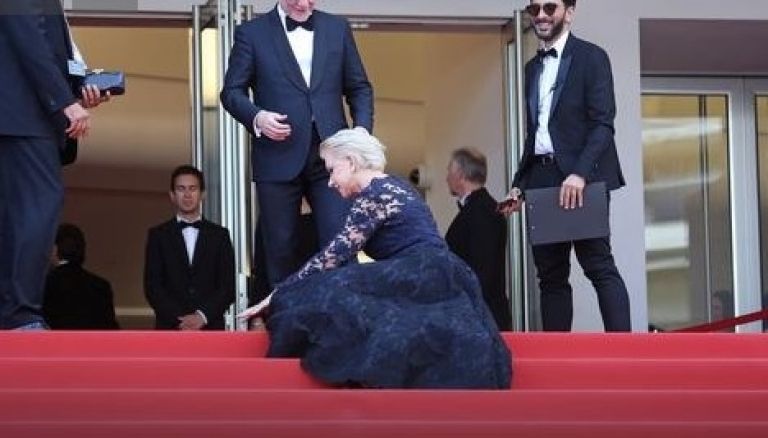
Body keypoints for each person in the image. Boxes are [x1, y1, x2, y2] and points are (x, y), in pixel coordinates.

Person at [240, 128, 511, 389]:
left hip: (420, 272)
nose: (330, 182)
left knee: (314, 293)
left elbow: (333, 256)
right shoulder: (395, 185)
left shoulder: (374, 194)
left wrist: (277, 294)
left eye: (332, 170)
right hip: (440, 272)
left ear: (351, 162)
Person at [220, 0, 374, 289]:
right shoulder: (252, 33)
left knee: (340, 242)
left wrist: (361, 134)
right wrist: (258, 117)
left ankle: (341, 314)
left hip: (332, 156)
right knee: (280, 250)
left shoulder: (337, 28)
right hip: (277, 155)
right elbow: (231, 92)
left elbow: (359, 88)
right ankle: (285, 316)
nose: (303, 4)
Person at [500, 0, 630, 332]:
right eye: (534, 10)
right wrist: (520, 185)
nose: (541, 15)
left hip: (582, 177)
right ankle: (556, 355)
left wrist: (579, 174)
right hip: (541, 178)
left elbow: (603, 124)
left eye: (549, 7)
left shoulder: (592, 57)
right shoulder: (531, 68)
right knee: (550, 276)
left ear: (569, 13)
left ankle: (626, 352)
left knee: (598, 266)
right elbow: (536, 134)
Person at [0, 0, 108, 330]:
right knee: (37, 208)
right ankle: (19, 315)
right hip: (25, 117)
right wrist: (63, 101)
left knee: (15, 214)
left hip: (18, 116)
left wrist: (78, 88)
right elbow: (29, 37)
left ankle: (13, 314)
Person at [144, 165, 236, 330]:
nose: (187, 195)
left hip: (210, 327)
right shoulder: (158, 235)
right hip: (170, 328)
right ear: (172, 195)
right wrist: (180, 319)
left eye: (193, 189)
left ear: (202, 194)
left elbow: (227, 286)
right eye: (181, 189)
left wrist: (202, 316)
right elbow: (152, 286)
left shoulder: (220, 235)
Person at [445, 148, 512, 331]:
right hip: (482, 317)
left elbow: (482, 271)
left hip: (481, 320)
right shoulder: (484, 209)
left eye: (449, 170)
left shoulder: (482, 212)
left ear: (460, 175)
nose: (446, 177)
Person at [43, 223, 120, 330]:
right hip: (92, 341)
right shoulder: (101, 286)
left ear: (55, 249)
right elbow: (110, 328)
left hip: (57, 340)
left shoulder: (44, 284)